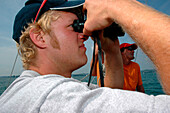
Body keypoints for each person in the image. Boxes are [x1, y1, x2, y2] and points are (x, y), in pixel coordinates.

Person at [0, 0, 170, 113]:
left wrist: (111, 50)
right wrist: (121, 7)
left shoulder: (33, 89)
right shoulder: (52, 97)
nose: (85, 34)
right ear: (39, 37)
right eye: (74, 26)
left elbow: (111, 96)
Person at [83, 0, 170, 95]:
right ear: (122, 52)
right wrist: (97, 53)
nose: (132, 51)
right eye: (130, 49)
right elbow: (94, 73)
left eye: (133, 49)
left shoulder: (136, 66)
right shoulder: (107, 64)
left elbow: (140, 87)